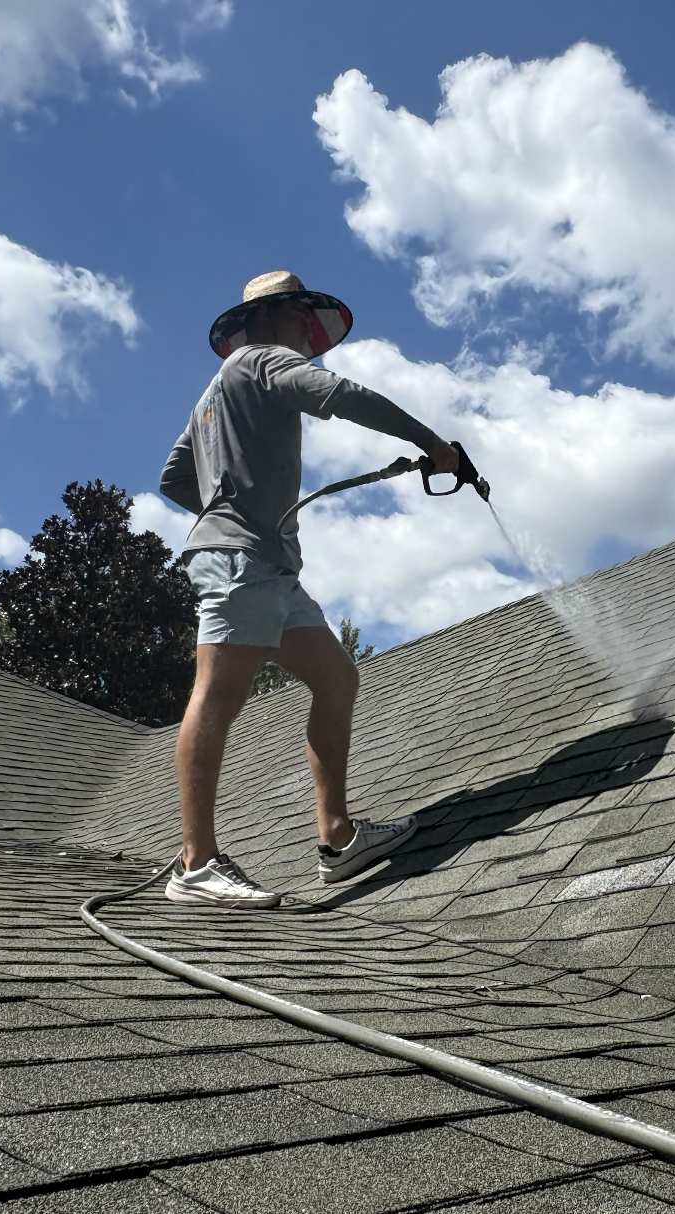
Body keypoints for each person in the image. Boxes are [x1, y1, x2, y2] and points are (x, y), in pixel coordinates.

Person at [159, 270, 459, 908]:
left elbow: (174, 477)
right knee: (218, 693)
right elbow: (339, 393)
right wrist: (430, 442)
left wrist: (230, 503)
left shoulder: (213, 395)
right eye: (299, 313)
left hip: (267, 563)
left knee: (337, 677)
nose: (308, 328)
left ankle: (337, 837)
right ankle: (196, 864)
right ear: (265, 318)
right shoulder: (259, 360)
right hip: (240, 561)